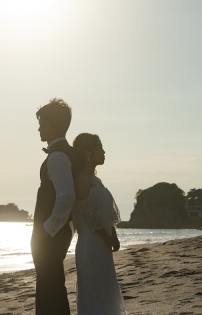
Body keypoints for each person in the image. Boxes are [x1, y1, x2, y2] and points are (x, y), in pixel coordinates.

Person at [31, 98, 80, 315]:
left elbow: (67, 196)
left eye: (41, 123)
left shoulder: (58, 156)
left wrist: (46, 229)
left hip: (51, 235)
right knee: (51, 287)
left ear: (51, 125)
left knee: (49, 289)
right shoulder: (63, 153)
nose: (39, 128)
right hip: (55, 233)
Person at [71, 133, 127, 315]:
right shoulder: (80, 179)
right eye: (100, 148)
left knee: (106, 291)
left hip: (103, 244)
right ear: (88, 152)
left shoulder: (96, 180)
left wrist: (113, 235)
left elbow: (106, 214)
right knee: (93, 292)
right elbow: (88, 215)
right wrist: (107, 238)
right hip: (90, 244)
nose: (104, 152)